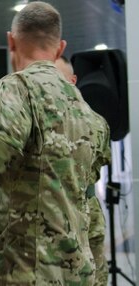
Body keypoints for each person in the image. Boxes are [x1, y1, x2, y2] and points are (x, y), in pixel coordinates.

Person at [0, 2, 111, 285]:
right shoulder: (91, 116)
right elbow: (89, 205)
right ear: (60, 48)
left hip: (24, 271)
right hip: (78, 272)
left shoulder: (17, 89)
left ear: (11, 40)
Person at [55, 55, 109, 286]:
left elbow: (98, 164)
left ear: (73, 80)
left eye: (58, 78)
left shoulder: (96, 123)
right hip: (48, 219)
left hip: (86, 218)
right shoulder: (31, 121)